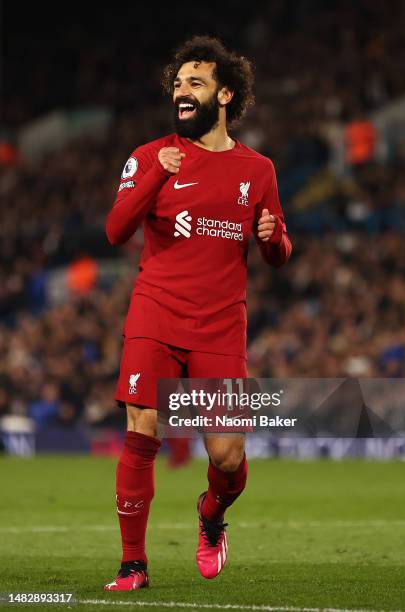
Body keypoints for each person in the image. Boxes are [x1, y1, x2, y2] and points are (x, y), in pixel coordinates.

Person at [104, 36, 292, 591]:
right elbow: (115, 231)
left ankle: (210, 515)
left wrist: (272, 235)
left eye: (196, 82)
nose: (182, 91)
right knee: (142, 428)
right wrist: (160, 174)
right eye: (178, 83)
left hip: (219, 323)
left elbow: (278, 253)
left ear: (226, 94)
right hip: (155, 309)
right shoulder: (148, 155)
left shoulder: (257, 169)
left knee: (229, 456)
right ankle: (133, 564)